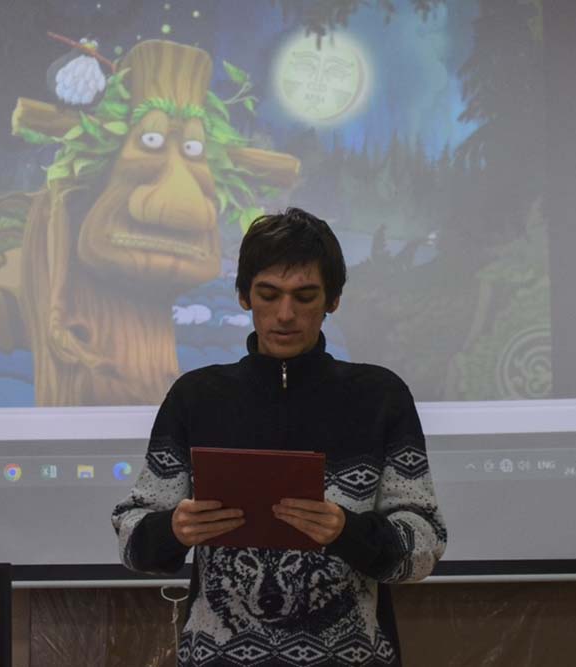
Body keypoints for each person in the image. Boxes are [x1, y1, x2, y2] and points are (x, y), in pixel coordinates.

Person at [112, 207, 447, 666]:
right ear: (243, 296)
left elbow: (426, 543)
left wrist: (348, 532)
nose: (285, 314)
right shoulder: (196, 396)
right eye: (268, 295)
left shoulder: (379, 396)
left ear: (333, 300)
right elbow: (131, 536)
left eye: (305, 296)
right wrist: (172, 530)